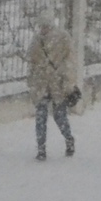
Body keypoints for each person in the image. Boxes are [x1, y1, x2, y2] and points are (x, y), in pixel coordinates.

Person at [28, 17, 80, 160]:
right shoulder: (36, 42)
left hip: (58, 84)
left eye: (46, 26)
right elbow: (31, 64)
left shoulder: (63, 38)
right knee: (41, 117)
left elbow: (70, 62)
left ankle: (68, 139)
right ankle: (41, 148)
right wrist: (33, 83)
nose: (44, 29)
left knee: (60, 116)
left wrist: (68, 82)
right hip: (42, 84)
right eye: (42, 26)